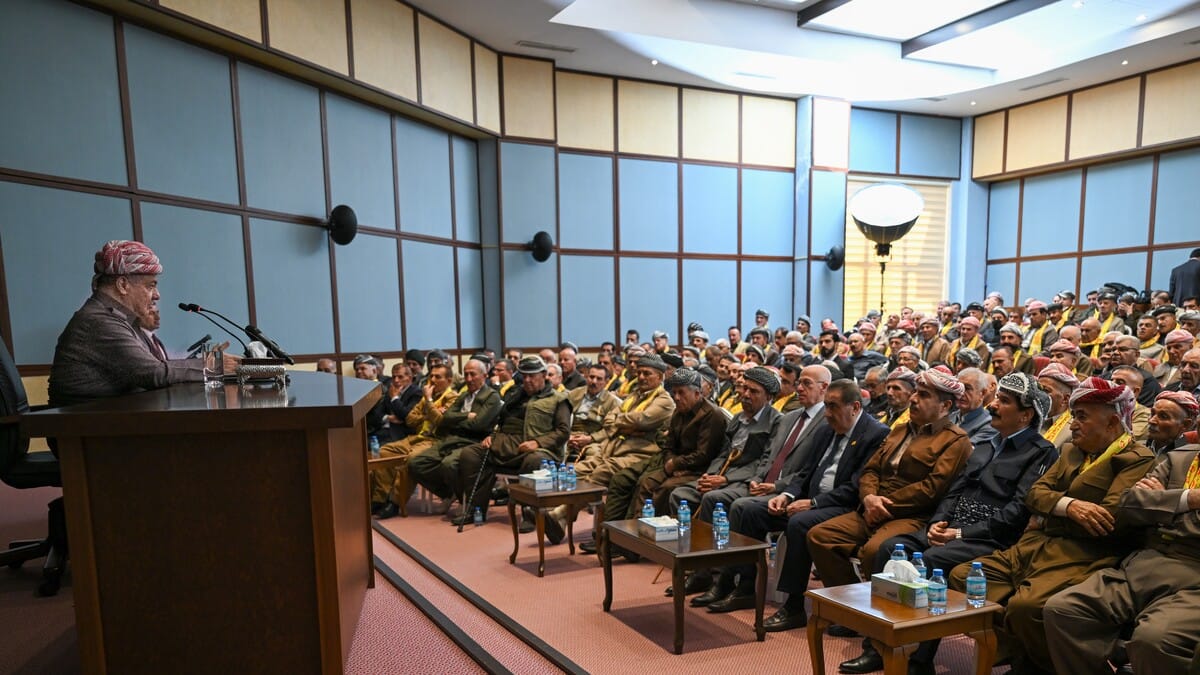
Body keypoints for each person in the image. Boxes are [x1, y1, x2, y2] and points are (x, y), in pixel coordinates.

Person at [840, 371, 1058, 674]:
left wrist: (960, 533)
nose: (993, 405)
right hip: (951, 529)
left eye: (1004, 401)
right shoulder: (987, 444)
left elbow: (1016, 513)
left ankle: (919, 662)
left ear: (1026, 415)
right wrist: (939, 522)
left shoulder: (1041, 452)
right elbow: (955, 491)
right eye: (997, 398)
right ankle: (878, 646)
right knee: (889, 548)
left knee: (932, 561)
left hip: (990, 539)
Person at [948, 377, 1156, 675]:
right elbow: (1034, 494)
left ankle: (1037, 664)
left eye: (1081, 417)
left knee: (1025, 608)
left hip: (1084, 554)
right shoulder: (1072, 450)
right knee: (963, 577)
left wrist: (1047, 514)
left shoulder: (1136, 459)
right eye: (1073, 416)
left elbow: (1107, 519)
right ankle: (1026, 655)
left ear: (1112, 423)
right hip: (1035, 545)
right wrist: (1069, 507)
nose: (1072, 424)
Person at [705, 380, 888, 626]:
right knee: (747, 509)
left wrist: (813, 503)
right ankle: (744, 586)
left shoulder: (876, 434)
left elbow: (856, 486)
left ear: (855, 407)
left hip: (842, 506)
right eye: (826, 406)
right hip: (807, 501)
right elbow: (804, 473)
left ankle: (793, 606)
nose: (827, 413)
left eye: (833, 407)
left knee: (800, 523)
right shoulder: (826, 430)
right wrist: (787, 496)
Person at [1043, 391, 1200, 675]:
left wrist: (1161, 504)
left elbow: (1145, 507)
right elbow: (1128, 505)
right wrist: (1188, 500)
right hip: (1146, 563)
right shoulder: (1181, 458)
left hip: (1194, 576)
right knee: (1063, 609)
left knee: (1152, 640)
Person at [807, 368, 974, 594]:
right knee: (820, 536)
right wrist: (869, 498)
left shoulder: (956, 441)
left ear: (945, 406)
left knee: (876, 550)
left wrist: (882, 505)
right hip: (872, 508)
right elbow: (871, 469)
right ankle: (849, 600)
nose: (913, 399)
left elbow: (931, 489)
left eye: (924, 395)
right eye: (915, 392)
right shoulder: (900, 430)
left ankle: (874, 610)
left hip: (911, 516)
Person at [49, 240, 219, 407]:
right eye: (150, 286)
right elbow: (155, 373)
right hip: (86, 422)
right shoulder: (97, 321)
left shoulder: (123, 320)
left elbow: (158, 367)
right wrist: (214, 366)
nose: (157, 295)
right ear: (123, 285)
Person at [455, 356, 571, 526]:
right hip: (505, 444)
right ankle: (476, 510)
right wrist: (492, 436)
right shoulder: (514, 396)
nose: (527, 380)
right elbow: (501, 422)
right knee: (470, 454)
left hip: (539, 450)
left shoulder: (558, 399)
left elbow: (563, 432)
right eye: (524, 376)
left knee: (534, 459)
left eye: (532, 376)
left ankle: (530, 514)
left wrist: (538, 443)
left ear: (544, 374)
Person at [405, 359, 503, 512]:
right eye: (466, 374)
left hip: (473, 441)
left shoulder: (492, 397)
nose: (469, 379)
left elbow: (478, 425)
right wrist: (466, 416)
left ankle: (464, 499)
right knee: (416, 463)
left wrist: (456, 420)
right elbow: (445, 419)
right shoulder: (463, 395)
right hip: (452, 439)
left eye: (473, 374)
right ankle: (448, 493)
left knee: (449, 464)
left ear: (484, 376)